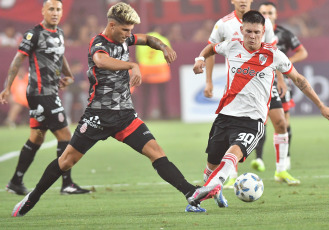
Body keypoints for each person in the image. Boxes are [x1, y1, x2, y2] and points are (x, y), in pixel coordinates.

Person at [10, 2, 222, 217]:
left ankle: (190, 193)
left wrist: (163, 47)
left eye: (130, 31)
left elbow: (148, 39)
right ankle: (32, 197)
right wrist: (132, 65)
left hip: (125, 117)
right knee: (66, 161)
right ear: (112, 25)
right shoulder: (98, 43)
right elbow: (101, 61)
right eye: (125, 30)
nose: (129, 35)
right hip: (98, 116)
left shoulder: (125, 37)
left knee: (156, 152)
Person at [187, 10, 329, 207]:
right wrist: (199, 60)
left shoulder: (274, 55)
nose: (252, 36)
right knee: (211, 164)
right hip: (225, 116)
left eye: (257, 32)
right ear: (241, 30)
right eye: (248, 31)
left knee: (233, 154)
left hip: (252, 121)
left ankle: (214, 185)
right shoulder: (231, 47)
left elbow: (299, 80)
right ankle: (213, 189)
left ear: (263, 31)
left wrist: (321, 105)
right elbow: (209, 49)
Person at [204, 0, 299, 189]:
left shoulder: (264, 23)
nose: (242, 1)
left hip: (266, 80)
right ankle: (229, 175)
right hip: (241, 85)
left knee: (280, 122)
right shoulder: (223, 25)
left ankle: (281, 169)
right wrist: (208, 79)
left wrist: (280, 79)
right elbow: (211, 48)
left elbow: (274, 54)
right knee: (233, 135)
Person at [0, 0, 90, 195]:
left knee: (36, 138)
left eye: (58, 9)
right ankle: (67, 184)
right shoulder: (34, 34)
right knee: (66, 136)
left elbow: (61, 55)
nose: (55, 12)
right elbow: (18, 60)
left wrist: (69, 75)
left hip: (50, 93)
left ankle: (16, 181)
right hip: (41, 94)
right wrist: (7, 87)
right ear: (43, 11)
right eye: (51, 9)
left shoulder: (59, 33)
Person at [252, 2, 309, 172]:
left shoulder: (284, 34)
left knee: (284, 121)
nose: (267, 15)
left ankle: (285, 158)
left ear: (276, 15)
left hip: (281, 82)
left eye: (270, 12)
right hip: (260, 83)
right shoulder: (255, 33)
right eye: (264, 12)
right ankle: (259, 159)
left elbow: (302, 52)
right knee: (261, 121)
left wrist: (287, 64)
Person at [135, 25, 171, 119]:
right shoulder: (163, 39)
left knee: (146, 95)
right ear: (157, 29)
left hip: (146, 69)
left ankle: (144, 115)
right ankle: (165, 115)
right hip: (160, 69)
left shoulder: (142, 40)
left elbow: (138, 56)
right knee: (162, 94)